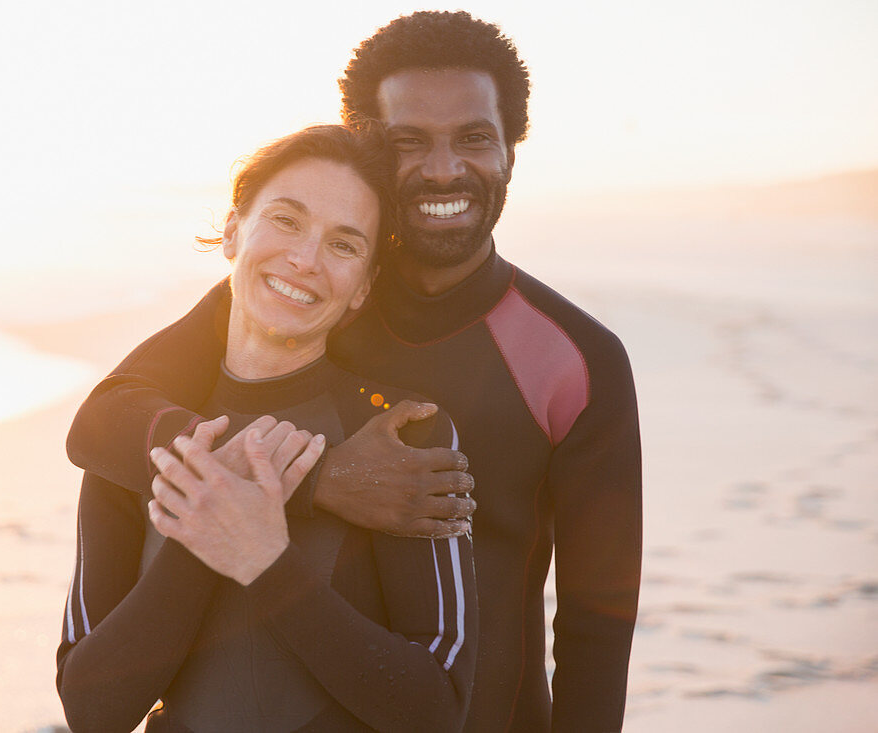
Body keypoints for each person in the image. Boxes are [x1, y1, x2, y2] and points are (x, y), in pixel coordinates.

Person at [66, 10, 642, 732]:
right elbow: (103, 422)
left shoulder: (574, 359)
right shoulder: (302, 298)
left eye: (474, 138)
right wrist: (323, 478)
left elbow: (598, 624)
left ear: (510, 150)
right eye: (409, 141)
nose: (443, 169)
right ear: (369, 144)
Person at [56, 124, 478, 732]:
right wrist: (209, 534)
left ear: (364, 287)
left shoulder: (400, 436)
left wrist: (266, 562)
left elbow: (436, 709)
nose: (305, 260)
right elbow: (93, 712)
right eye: (285, 220)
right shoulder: (144, 436)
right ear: (233, 233)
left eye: (344, 245)